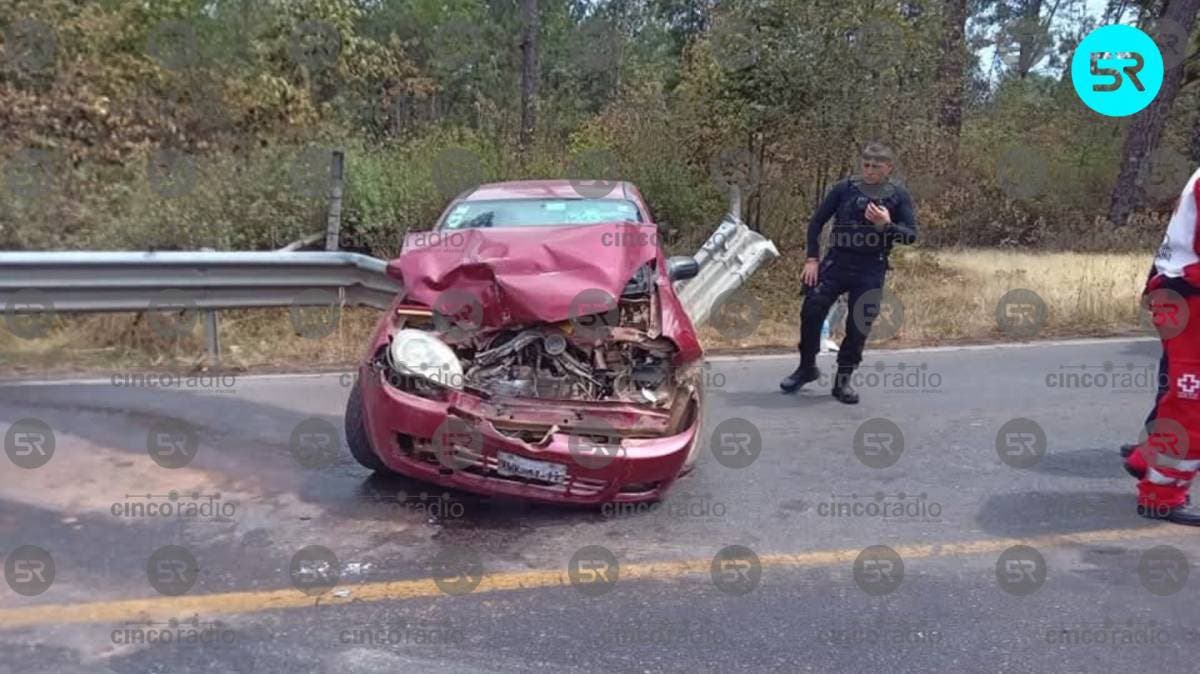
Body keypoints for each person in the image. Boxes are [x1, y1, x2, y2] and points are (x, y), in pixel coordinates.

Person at [779, 142, 918, 403]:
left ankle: (843, 381)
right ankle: (806, 368)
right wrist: (812, 259)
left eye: (876, 167)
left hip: (871, 266)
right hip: (837, 261)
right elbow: (817, 222)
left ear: (888, 168)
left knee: (859, 324)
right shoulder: (844, 189)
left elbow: (911, 236)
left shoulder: (897, 195)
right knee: (812, 310)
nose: (870, 171)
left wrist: (886, 225)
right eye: (866, 165)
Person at [1125, 165, 1200, 525]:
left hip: (1181, 293)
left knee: (1181, 394)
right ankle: (1161, 495)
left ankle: (1148, 459)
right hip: (1190, 298)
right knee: (1190, 407)